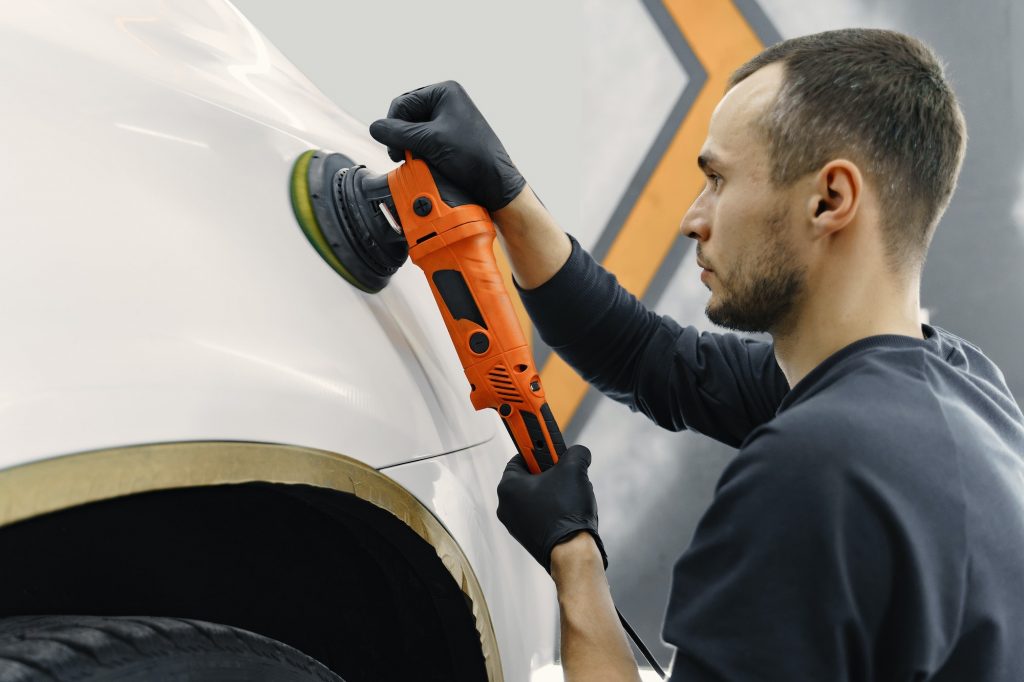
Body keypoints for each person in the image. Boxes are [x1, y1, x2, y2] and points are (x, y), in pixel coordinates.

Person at [368, 28, 1024, 681]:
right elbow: (651, 358)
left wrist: (574, 558)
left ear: (829, 200)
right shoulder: (959, 391)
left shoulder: (815, 473)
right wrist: (508, 196)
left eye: (718, 179)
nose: (693, 217)